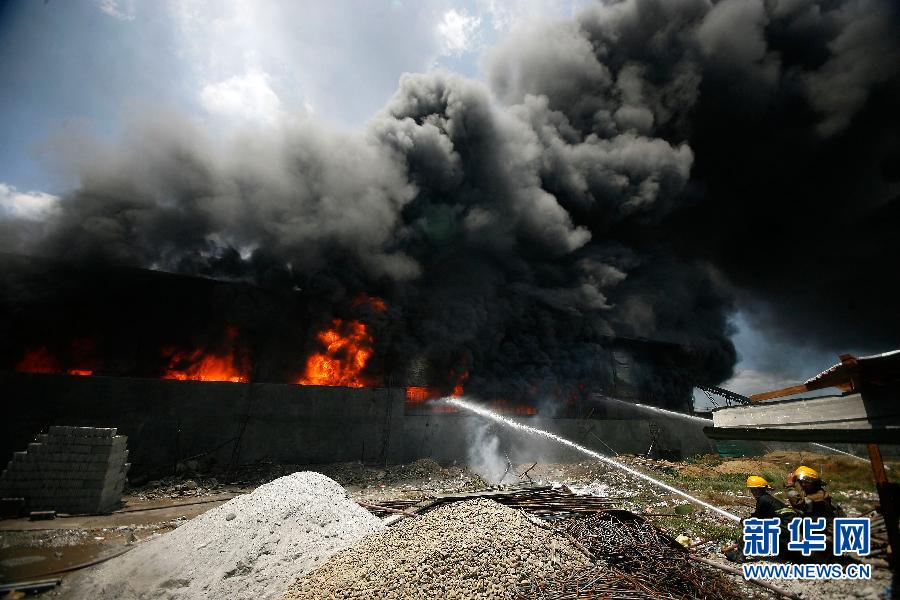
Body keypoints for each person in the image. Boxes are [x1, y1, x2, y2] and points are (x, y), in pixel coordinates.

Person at [724, 475, 797, 562]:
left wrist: (746, 521)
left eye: (753, 490)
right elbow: (762, 517)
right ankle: (786, 555)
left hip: (785, 526)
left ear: (756, 490)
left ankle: (739, 555)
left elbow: (757, 519)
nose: (753, 492)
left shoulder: (763, 499)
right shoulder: (768, 498)